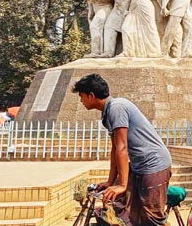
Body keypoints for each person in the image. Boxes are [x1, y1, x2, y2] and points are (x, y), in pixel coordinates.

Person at [73, 74, 172, 226]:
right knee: (129, 213)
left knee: (153, 217)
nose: (81, 101)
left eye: (82, 97)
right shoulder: (108, 111)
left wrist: (123, 185)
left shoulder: (116, 108)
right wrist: (110, 181)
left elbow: (122, 147)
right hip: (140, 166)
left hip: (154, 165)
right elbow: (115, 149)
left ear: (91, 95)